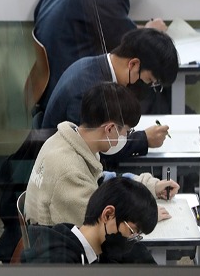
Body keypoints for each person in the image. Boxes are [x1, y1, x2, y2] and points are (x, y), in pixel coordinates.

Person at [25, 82, 179, 229]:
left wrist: (149, 186)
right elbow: (103, 225)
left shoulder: (70, 141)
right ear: (110, 128)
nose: (125, 137)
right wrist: (145, 216)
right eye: (126, 131)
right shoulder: (68, 171)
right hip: (61, 250)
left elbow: (104, 182)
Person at [33, 0, 167, 112]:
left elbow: (114, 26)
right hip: (77, 96)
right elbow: (129, 47)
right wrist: (152, 32)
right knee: (151, 89)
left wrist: (144, 29)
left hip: (52, 87)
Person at [41, 28, 179, 166]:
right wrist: (144, 140)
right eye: (148, 80)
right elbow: (94, 149)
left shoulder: (95, 65)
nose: (146, 86)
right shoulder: (90, 90)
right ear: (133, 64)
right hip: (61, 167)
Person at [21, 177, 158, 264]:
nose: (132, 239)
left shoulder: (97, 254)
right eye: (132, 231)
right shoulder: (58, 261)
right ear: (108, 215)